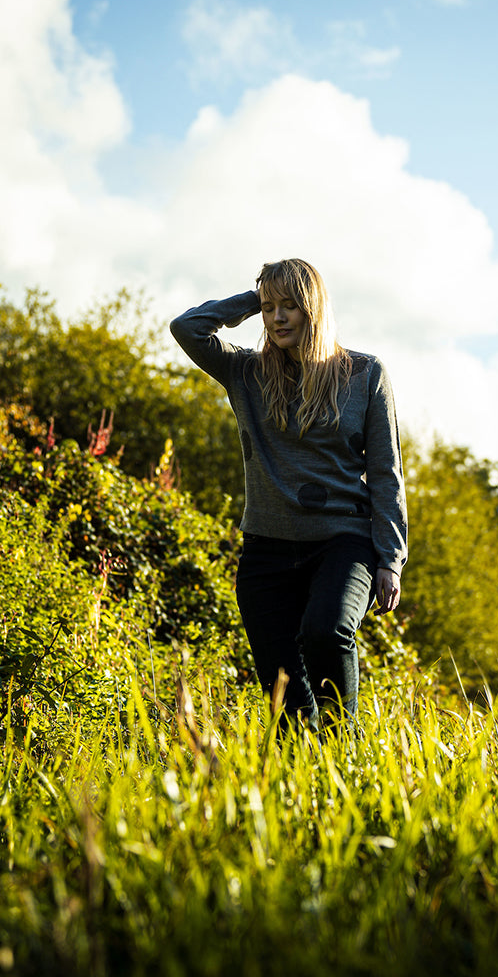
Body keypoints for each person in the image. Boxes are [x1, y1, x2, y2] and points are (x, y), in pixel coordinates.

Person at [170, 259, 407, 732]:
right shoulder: (246, 372)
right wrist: (253, 299)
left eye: (290, 306)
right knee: (288, 703)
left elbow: (386, 473)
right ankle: (308, 784)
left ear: (313, 309)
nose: (277, 318)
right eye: (270, 308)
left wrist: (390, 558)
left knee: (327, 630)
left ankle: (345, 754)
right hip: (266, 551)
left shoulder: (364, 374)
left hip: (344, 542)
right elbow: (187, 328)